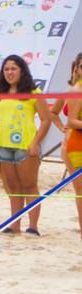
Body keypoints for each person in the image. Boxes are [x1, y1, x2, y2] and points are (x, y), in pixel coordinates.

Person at [0, 54, 55, 236]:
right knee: (12, 186)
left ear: (22, 71)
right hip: (4, 145)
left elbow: (45, 120)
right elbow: (1, 119)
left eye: (13, 69)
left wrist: (36, 142)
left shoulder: (34, 93)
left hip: (25, 145)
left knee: (29, 185)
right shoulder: (2, 93)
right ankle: (14, 225)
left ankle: (33, 226)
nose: (9, 72)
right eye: (6, 69)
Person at [52, 53, 82, 238]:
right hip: (74, 142)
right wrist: (63, 129)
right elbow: (57, 114)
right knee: (80, 189)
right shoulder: (73, 90)